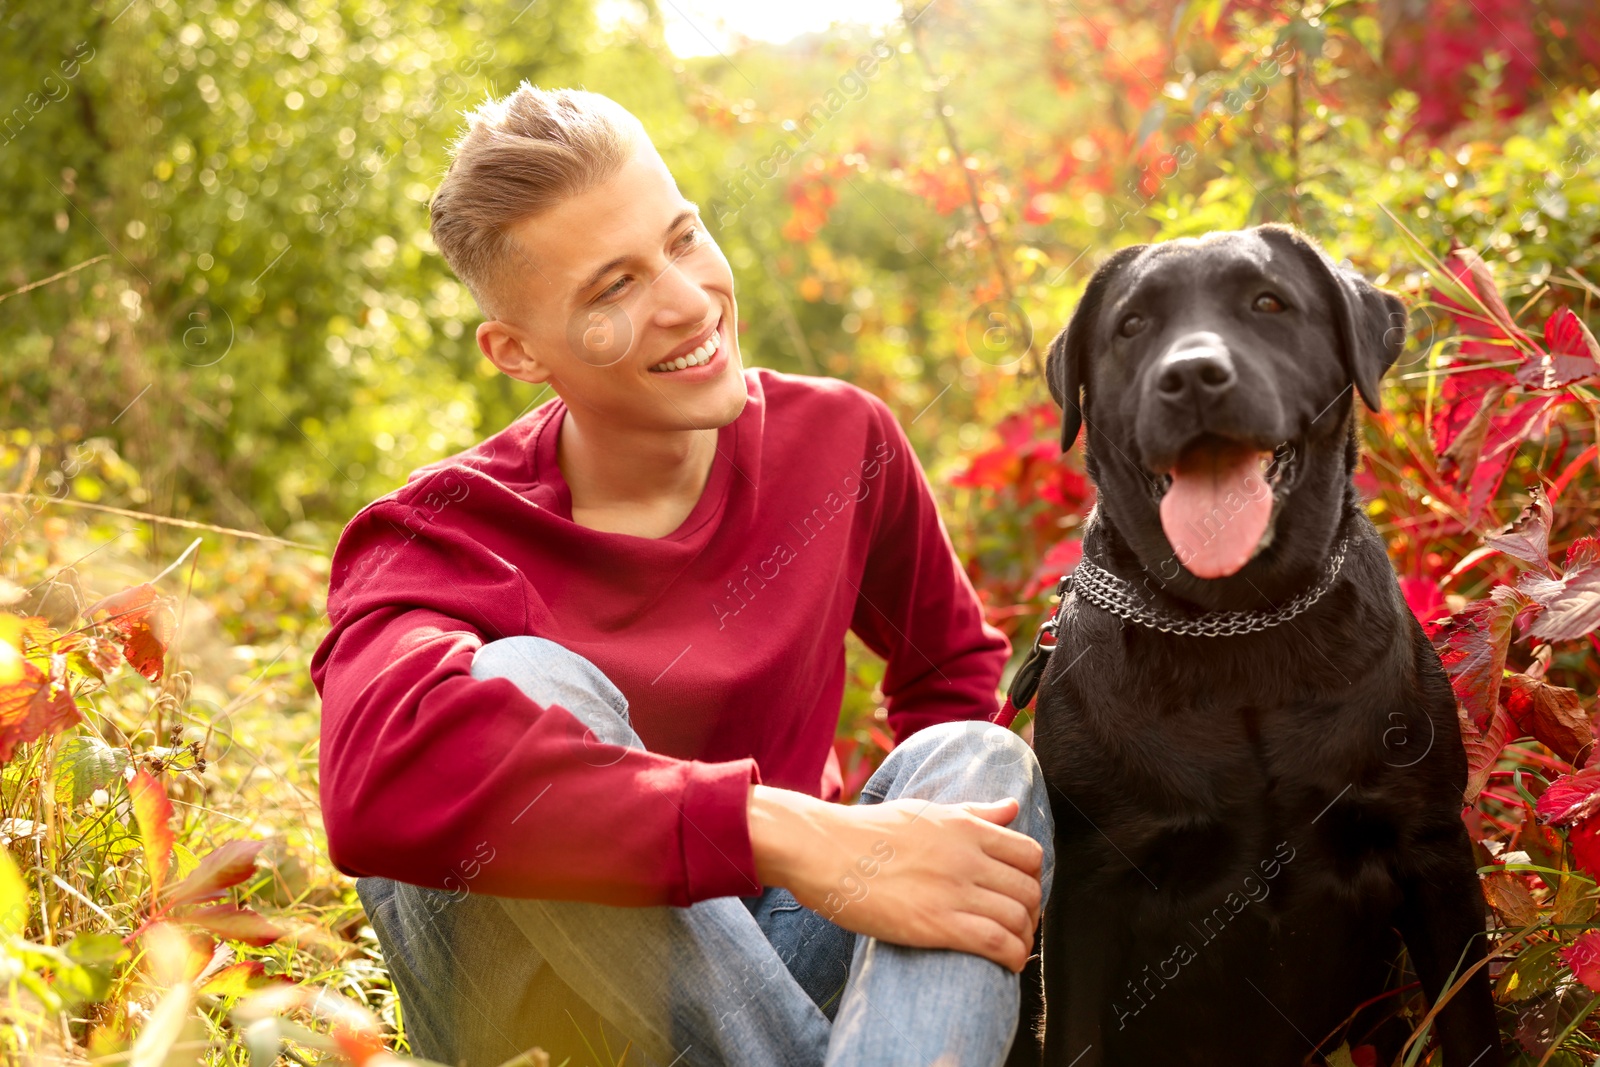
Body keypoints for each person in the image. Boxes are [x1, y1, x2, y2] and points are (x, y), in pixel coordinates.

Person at [308, 82, 1055, 1067]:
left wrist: (894, 913)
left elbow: (948, 672)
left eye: (684, 237)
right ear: (516, 350)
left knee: (978, 761)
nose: (688, 299)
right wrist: (781, 829)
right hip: (553, 1001)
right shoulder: (442, 531)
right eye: (612, 287)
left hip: (781, 948)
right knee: (528, 683)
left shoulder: (839, 439)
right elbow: (376, 782)